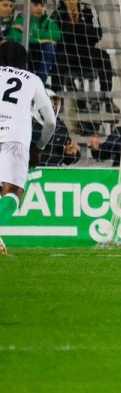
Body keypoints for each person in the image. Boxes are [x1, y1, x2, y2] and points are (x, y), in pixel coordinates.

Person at [0, 43, 56, 256]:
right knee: (12, 192)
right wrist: (39, 147)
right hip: (15, 136)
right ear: (24, 61)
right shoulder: (32, 79)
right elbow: (50, 122)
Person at [53, 0, 115, 95]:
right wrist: (70, 22)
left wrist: (79, 23)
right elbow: (58, 38)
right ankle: (56, 99)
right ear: (62, 1)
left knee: (104, 57)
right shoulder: (57, 14)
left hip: (86, 53)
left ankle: (106, 97)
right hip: (67, 54)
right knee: (57, 60)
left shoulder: (90, 10)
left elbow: (97, 34)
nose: (71, 2)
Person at [8, 0, 61, 85]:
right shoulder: (21, 19)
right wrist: (39, 40)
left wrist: (30, 33)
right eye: (36, 5)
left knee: (50, 47)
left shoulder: (49, 21)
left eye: (42, 5)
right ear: (29, 5)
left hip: (40, 55)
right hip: (25, 53)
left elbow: (56, 35)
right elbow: (13, 36)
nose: (39, 8)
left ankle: (39, 84)